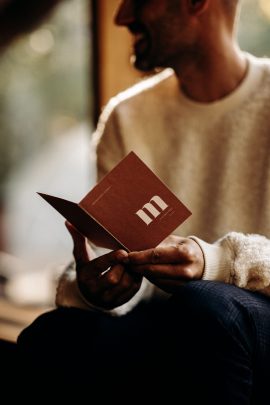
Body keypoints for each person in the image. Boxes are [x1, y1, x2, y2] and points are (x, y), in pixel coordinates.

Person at [17, 0, 270, 403]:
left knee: (205, 308)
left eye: (137, 0)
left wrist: (216, 264)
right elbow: (112, 252)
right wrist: (101, 289)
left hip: (243, 321)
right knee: (52, 336)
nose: (121, 16)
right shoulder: (127, 116)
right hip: (176, 320)